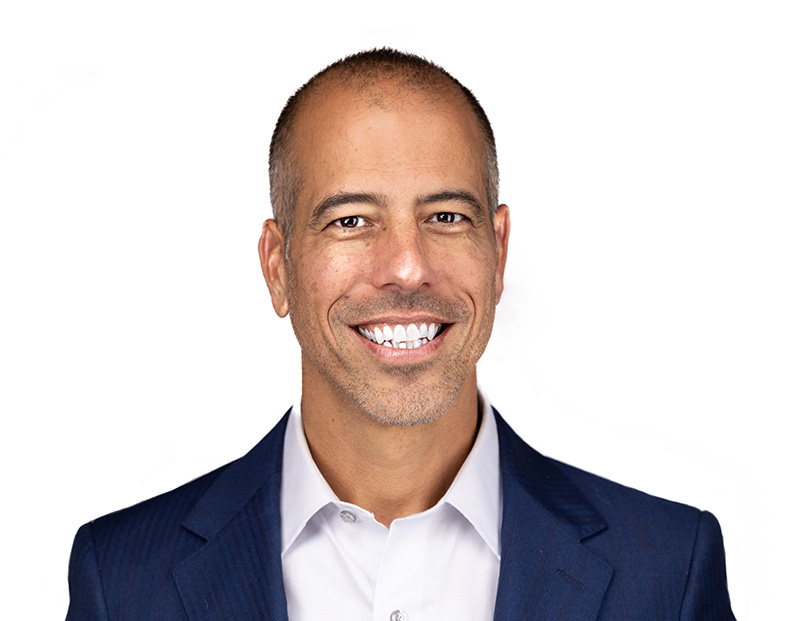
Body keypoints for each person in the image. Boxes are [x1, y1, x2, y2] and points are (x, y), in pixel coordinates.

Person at [66, 48, 735, 620]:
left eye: (446, 216)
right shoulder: (122, 581)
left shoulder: (668, 571)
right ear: (277, 267)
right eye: (351, 221)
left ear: (499, 252)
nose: (408, 267)